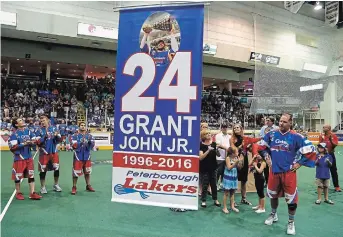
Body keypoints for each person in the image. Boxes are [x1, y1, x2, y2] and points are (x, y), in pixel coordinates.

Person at [260, 113, 316, 235]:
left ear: (290, 123)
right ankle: (273, 214)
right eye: (280, 121)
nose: (281, 123)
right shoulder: (272, 134)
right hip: (274, 171)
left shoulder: (297, 137)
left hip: (289, 172)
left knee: (291, 199)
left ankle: (291, 222)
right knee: (272, 195)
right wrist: (266, 156)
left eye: (284, 122)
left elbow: (311, 150)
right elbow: (262, 147)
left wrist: (300, 163)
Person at [8, 117, 42, 200]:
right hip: (19, 158)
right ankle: (18, 192)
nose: (22, 120)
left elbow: (35, 140)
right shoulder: (14, 135)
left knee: (31, 175)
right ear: (16, 124)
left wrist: (34, 142)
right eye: (20, 120)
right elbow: (13, 147)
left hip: (29, 157)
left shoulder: (28, 131)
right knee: (18, 176)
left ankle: (32, 193)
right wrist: (24, 144)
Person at [230, 124, 261, 206]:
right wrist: (242, 145)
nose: (236, 128)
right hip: (235, 160)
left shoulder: (245, 138)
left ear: (241, 129)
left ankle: (243, 198)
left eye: (238, 127)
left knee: (244, 180)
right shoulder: (232, 139)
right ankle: (232, 201)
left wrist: (250, 146)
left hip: (245, 160)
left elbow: (249, 148)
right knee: (234, 180)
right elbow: (233, 149)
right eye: (235, 127)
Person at [35, 114, 62, 194]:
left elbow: (59, 139)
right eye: (41, 121)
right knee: (43, 170)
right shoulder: (38, 131)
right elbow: (38, 142)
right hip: (44, 153)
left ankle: (56, 184)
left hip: (54, 152)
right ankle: (43, 187)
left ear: (48, 120)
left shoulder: (54, 128)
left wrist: (57, 136)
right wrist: (45, 137)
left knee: (56, 169)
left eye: (44, 120)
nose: (42, 122)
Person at [70, 122, 95, 194]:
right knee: (75, 173)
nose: (83, 127)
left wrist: (90, 142)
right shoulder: (74, 136)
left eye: (84, 125)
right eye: (81, 125)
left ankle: (88, 185)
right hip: (78, 156)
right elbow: (73, 145)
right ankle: (74, 187)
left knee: (87, 172)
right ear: (79, 127)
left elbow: (92, 145)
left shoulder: (90, 136)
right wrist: (80, 142)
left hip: (87, 156)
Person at [199, 129, 221, 208]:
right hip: (205, 168)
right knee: (205, 184)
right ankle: (203, 200)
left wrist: (217, 150)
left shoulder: (214, 144)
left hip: (213, 167)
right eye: (207, 133)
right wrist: (208, 150)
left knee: (214, 184)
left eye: (209, 133)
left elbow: (218, 155)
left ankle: (215, 199)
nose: (209, 134)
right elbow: (200, 158)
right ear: (203, 136)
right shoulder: (201, 145)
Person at [319, 125, 341, 192]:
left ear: (329, 129)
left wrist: (330, 140)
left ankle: (337, 186)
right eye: (323, 127)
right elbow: (319, 146)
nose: (323, 128)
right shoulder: (321, 136)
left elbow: (335, 145)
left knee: (333, 170)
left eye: (325, 127)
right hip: (323, 155)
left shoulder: (333, 136)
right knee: (322, 170)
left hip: (331, 155)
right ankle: (322, 186)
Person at [222, 148, 243, 214]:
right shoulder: (228, 158)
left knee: (232, 192)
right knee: (226, 193)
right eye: (236, 152)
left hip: (234, 177)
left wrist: (240, 162)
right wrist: (236, 163)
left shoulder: (236, 158)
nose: (238, 153)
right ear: (232, 153)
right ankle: (224, 207)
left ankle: (232, 206)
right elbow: (229, 167)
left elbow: (239, 168)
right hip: (228, 177)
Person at [215, 123, 231, 190]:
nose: (224, 128)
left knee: (225, 172)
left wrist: (227, 149)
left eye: (226, 127)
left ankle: (221, 184)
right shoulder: (218, 136)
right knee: (219, 172)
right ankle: (216, 185)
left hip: (227, 156)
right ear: (221, 128)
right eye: (223, 127)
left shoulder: (230, 137)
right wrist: (226, 148)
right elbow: (218, 145)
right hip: (220, 157)